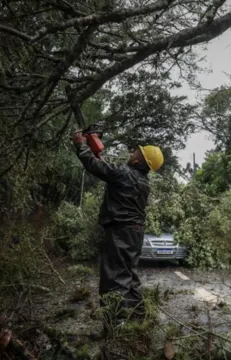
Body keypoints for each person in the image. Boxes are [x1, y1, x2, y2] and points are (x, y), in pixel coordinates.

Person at [72, 130, 164, 333]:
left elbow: (96, 167)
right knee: (130, 276)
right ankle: (139, 320)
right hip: (135, 232)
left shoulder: (124, 173)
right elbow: (107, 169)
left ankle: (115, 329)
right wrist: (95, 149)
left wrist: (81, 145)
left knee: (113, 279)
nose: (132, 152)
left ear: (140, 159)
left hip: (120, 232)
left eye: (136, 152)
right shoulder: (143, 182)